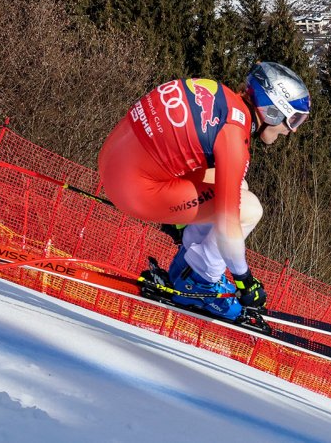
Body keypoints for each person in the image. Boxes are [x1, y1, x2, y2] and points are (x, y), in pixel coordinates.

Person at [98, 62, 310, 320]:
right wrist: (245, 280)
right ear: (273, 111)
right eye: (294, 119)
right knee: (249, 209)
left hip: (115, 160)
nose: (293, 130)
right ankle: (200, 282)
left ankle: (187, 267)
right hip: (134, 190)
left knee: (234, 186)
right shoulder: (233, 137)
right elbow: (227, 222)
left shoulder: (222, 96)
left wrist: (179, 218)